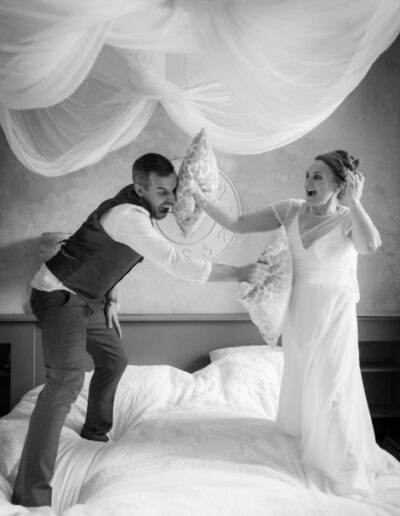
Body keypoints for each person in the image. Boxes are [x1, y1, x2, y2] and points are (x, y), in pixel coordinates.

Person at [11, 153, 269, 508]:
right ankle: (31, 493)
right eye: (162, 191)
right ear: (139, 188)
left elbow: (109, 256)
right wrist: (237, 272)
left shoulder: (138, 214)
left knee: (114, 359)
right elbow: (176, 262)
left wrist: (111, 299)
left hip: (90, 301)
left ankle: (94, 433)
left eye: (174, 190)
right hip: (58, 296)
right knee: (66, 382)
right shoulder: (127, 216)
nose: (172, 199)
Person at [192, 150, 397, 497]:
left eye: (318, 176)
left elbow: (370, 244)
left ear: (339, 184)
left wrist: (357, 202)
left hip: (335, 314)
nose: (308, 182)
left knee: (333, 383)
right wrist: (199, 198)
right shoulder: (291, 210)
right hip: (299, 312)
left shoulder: (349, 218)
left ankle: (340, 462)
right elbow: (237, 223)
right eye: (307, 174)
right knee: (302, 376)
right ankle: (304, 441)